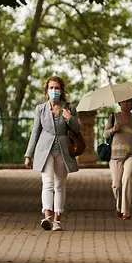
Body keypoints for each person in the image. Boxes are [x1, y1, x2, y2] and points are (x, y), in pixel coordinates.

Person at [24, 76, 80, 232]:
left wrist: (69, 118)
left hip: (63, 150)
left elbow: (77, 129)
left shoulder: (69, 108)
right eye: (51, 88)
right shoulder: (40, 109)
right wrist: (29, 155)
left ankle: (57, 220)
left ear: (61, 91)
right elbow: (35, 133)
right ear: (46, 90)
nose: (54, 91)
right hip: (44, 150)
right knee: (47, 183)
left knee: (59, 185)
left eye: (57, 88)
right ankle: (47, 217)